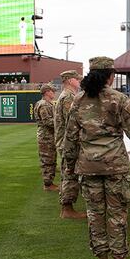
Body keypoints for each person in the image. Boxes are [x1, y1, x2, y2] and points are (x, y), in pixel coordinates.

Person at [63, 56, 130, 259]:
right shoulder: (120, 99)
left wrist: (69, 167)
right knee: (117, 214)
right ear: (111, 76)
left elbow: (69, 139)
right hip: (115, 166)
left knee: (95, 214)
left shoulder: (78, 101)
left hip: (88, 167)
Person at [54, 70, 86, 220]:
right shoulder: (68, 97)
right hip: (68, 142)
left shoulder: (68, 95)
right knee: (70, 173)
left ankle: (67, 206)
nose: (79, 81)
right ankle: (67, 209)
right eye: (76, 78)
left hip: (67, 141)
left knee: (69, 172)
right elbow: (72, 120)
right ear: (69, 80)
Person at [35, 84, 58, 191]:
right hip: (46, 137)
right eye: (52, 91)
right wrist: (61, 122)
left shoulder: (48, 104)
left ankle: (49, 182)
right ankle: (48, 184)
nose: (54, 93)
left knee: (51, 159)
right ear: (47, 92)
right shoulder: (44, 105)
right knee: (48, 160)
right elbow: (47, 122)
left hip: (49, 136)